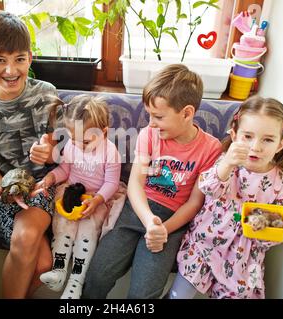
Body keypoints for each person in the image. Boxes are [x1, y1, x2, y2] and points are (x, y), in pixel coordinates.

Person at [82, 64, 223, 299]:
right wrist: (149, 222)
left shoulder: (211, 148)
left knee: (143, 293)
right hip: (137, 210)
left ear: (187, 113)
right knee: (98, 274)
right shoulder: (150, 134)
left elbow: (195, 202)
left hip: (172, 222)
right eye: (149, 115)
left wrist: (162, 230)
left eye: (158, 116)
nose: (151, 122)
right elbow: (136, 183)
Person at [0, 10, 61, 298]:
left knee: (28, 235)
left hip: (42, 187)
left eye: (19, 59)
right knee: (43, 263)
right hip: (2, 193)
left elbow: (58, 153)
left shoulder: (47, 94)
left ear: (30, 57)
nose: (11, 70)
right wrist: (6, 191)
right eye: (0, 60)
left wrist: (50, 153)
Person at [169, 96, 283, 299]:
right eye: (248, 136)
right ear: (235, 134)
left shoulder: (281, 186)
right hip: (204, 245)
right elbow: (208, 188)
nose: (256, 147)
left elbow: (269, 239)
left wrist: (263, 227)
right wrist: (227, 164)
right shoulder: (225, 162)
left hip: (243, 259)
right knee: (178, 296)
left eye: (268, 139)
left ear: (280, 144)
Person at [35, 95, 126, 299]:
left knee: (87, 231)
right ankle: (59, 272)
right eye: (73, 139)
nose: (79, 146)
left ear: (103, 132)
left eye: (85, 142)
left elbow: (111, 183)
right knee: (63, 226)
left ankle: (76, 283)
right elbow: (65, 170)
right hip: (72, 192)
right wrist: (51, 176)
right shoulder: (72, 146)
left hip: (97, 197)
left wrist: (97, 200)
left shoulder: (110, 153)